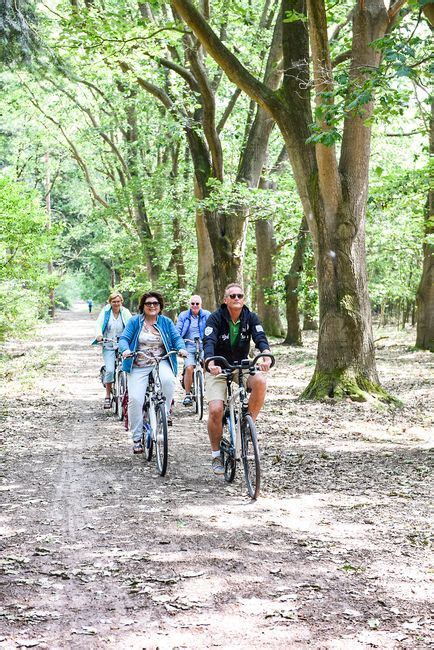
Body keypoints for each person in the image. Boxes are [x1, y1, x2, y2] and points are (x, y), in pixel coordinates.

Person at [203, 283, 272, 475]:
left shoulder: (250, 317)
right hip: (218, 366)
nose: (236, 298)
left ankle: (248, 424)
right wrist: (210, 362)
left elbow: (260, 338)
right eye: (232, 296)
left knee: (260, 381)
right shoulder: (215, 318)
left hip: (241, 365)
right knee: (216, 409)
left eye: (239, 295)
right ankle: (216, 454)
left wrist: (265, 355)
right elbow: (208, 341)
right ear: (225, 300)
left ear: (243, 299)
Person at [118, 291, 187, 454]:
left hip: (161, 360)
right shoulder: (135, 321)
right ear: (142, 306)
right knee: (135, 399)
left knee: (168, 380)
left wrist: (181, 348)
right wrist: (126, 350)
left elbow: (176, 337)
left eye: (155, 303)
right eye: (148, 303)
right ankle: (136, 438)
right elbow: (124, 339)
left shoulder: (166, 322)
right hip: (138, 362)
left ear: (160, 306)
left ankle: (165, 412)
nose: (152, 306)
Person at [92, 292, 132, 409]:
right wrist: (99, 335)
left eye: (118, 301)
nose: (116, 303)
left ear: (121, 302)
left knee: (129, 369)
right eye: (113, 301)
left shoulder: (125, 312)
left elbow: (131, 325)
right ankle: (107, 396)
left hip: (123, 345)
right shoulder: (105, 312)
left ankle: (129, 394)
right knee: (110, 370)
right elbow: (98, 324)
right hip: (108, 344)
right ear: (110, 302)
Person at [175, 295, 211, 406]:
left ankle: (204, 386)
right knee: (189, 367)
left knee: (208, 363)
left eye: (197, 304)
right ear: (189, 304)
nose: (195, 306)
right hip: (189, 344)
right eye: (192, 303)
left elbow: (212, 329)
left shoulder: (207, 315)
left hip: (203, 344)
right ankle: (187, 395)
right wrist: (179, 345)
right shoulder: (183, 315)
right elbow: (178, 331)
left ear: (201, 305)